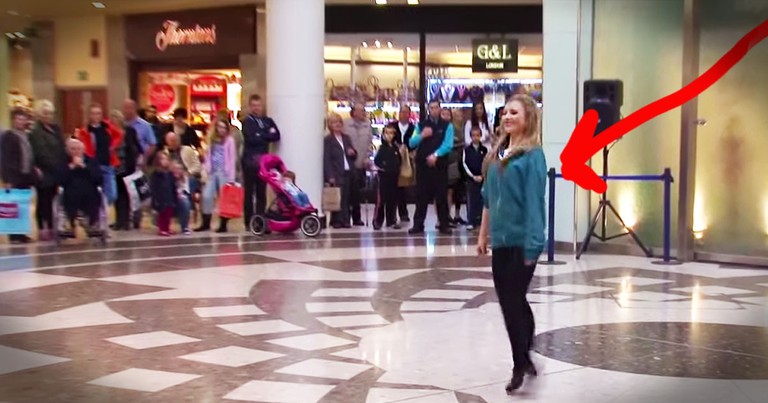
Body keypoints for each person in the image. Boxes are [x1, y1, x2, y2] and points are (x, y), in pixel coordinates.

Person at [476, 94, 546, 393]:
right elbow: (488, 199)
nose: (508, 117)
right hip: (501, 241)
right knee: (512, 302)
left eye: (514, 113)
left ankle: (519, 364)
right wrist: (483, 234)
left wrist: (533, 244)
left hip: (522, 241)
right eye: (505, 112)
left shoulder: (533, 156)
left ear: (527, 118)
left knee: (512, 302)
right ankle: (526, 351)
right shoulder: (497, 154)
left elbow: (535, 203)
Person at [408, 100, 454, 235]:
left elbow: (448, 144)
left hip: (439, 166)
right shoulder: (421, 125)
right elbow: (411, 143)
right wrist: (422, 135)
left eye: (436, 107)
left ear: (440, 109)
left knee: (441, 196)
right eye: (431, 108)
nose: (434, 110)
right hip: (423, 167)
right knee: (421, 196)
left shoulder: (447, 126)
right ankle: (418, 224)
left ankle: (444, 224)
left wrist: (435, 155)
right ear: (428, 110)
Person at [28, 100, 67, 241]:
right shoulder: (35, 132)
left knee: (53, 201)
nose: (48, 116)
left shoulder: (56, 129)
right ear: (39, 114)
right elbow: (40, 153)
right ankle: (43, 228)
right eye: (45, 113)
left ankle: (53, 226)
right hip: (44, 172)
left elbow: (62, 148)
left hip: (57, 172)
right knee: (43, 201)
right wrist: (55, 166)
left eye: (50, 113)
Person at [241, 94, 281, 230]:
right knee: (249, 192)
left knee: (261, 191)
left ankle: (260, 219)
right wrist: (265, 134)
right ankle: (248, 221)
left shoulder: (267, 120)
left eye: (258, 105)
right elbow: (251, 139)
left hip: (263, 162)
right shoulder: (247, 121)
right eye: (253, 105)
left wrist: (261, 134)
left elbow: (276, 135)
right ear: (250, 106)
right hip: (250, 161)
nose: (256, 108)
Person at [1, 108, 40, 243]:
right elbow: (5, 158)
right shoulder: (8, 136)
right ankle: (13, 235)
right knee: (13, 206)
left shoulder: (26, 135)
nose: (21, 122)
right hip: (14, 176)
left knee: (23, 205)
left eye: (23, 119)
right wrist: (7, 178)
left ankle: (22, 233)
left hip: (26, 175)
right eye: (19, 119)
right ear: (13, 120)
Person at [75, 103, 122, 206]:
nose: (96, 116)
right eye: (93, 113)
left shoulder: (107, 126)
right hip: (94, 165)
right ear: (90, 115)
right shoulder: (85, 131)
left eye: (98, 113)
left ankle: (102, 209)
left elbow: (119, 134)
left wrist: (112, 146)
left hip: (108, 164)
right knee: (93, 194)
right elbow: (82, 147)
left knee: (111, 194)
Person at [197, 119, 237, 233]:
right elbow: (208, 155)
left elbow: (232, 158)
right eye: (220, 127)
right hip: (212, 172)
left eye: (224, 127)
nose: (221, 130)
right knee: (207, 196)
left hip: (224, 172)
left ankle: (223, 224)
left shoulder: (229, 140)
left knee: (224, 199)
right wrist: (206, 168)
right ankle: (206, 222)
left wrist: (231, 178)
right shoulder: (212, 139)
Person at [58, 139, 102, 234]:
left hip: (89, 191)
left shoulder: (91, 161)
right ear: (67, 150)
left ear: (83, 150)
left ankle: (92, 224)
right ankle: (70, 224)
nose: (76, 151)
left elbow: (98, 178)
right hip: (70, 191)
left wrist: (84, 166)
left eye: (78, 149)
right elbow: (60, 180)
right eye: (73, 149)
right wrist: (72, 166)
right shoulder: (63, 162)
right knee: (69, 197)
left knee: (93, 197)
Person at [323, 113, 357, 229]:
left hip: (348, 171)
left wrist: (353, 153)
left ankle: (346, 219)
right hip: (336, 172)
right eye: (334, 122)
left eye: (339, 122)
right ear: (330, 125)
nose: (337, 124)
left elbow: (353, 153)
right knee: (338, 197)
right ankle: (337, 220)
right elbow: (326, 159)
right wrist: (330, 175)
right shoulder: (328, 140)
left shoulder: (346, 138)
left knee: (347, 197)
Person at [111, 110, 142, 231]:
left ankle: (128, 220)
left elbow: (137, 147)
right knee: (117, 195)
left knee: (128, 194)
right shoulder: (110, 132)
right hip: (115, 166)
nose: (114, 120)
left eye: (115, 118)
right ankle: (119, 220)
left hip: (127, 166)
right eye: (112, 118)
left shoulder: (129, 131)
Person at [343, 104, 373, 226]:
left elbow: (370, 144)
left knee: (357, 193)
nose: (363, 113)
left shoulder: (367, 124)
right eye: (360, 111)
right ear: (353, 112)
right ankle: (345, 218)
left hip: (361, 163)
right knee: (347, 193)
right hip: (348, 163)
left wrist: (367, 158)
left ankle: (357, 218)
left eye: (363, 110)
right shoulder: (346, 124)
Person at [373, 124, 402, 230]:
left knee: (392, 199)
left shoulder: (395, 148)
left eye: (391, 133)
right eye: (387, 133)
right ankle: (378, 220)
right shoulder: (382, 148)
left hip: (394, 176)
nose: (389, 136)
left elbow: (399, 160)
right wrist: (384, 166)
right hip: (383, 176)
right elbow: (377, 161)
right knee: (382, 199)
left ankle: (391, 219)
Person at [393, 104, 416, 223]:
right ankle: (393, 214)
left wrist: (407, 149)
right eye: (402, 112)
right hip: (393, 160)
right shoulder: (391, 126)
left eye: (406, 112)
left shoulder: (414, 128)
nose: (404, 114)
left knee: (405, 186)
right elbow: (385, 140)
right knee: (394, 188)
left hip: (408, 161)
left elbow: (416, 143)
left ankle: (404, 213)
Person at [462, 126, 488, 231]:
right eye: (473, 135)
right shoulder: (467, 150)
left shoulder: (484, 150)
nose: (475, 137)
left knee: (482, 200)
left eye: (478, 135)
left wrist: (483, 175)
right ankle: (471, 221)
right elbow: (464, 164)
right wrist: (473, 176)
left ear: (481, 136)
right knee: (471, 200)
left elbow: (487, 163)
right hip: (471, 180)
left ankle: (481, 221)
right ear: (470, 137)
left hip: (482, 179)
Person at [150, 151, 177, 237]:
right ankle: (162, 229)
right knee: (162, 214)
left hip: (169, 196)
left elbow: (173, 185)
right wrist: (155, 199)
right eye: (162, 159)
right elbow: (154, 187)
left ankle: (167, 228)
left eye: (166, 159)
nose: (165, 161)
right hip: (161, 197)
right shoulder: (156, 174)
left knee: (169, 213)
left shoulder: (170, 173)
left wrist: (175, 196)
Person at [171, 161, 192, 235]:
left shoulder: (185, 178)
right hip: (169, 199)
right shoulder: (168, 177)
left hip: (180, 200)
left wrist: (180, 195)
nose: (177, 170)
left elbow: (186, 192)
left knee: (185, 202)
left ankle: (185, 227)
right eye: (175, 168)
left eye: (179, 168)